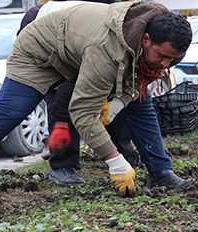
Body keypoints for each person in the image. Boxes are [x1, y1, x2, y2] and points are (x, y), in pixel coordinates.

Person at [0, 0, 194, 196]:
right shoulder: (106, 49)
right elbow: (82, 112)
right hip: (39, 54)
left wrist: (120, 102)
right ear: (145, 40)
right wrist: (115, 162)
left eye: (171, 60)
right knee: (9, 113)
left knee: (142, 105)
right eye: (162, 56)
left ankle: (161, 171)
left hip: (77, 48)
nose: (166, 65)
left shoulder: (161, 36)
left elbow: (137, 78)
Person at [17, 0, 142, 186]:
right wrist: (60, 125)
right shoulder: (43, 20)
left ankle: (124, 153)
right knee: (66, 103)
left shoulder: (112, 21)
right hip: (53, 38)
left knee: (108, 100)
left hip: (86, 34)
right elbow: (68, 90)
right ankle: (62, 165)